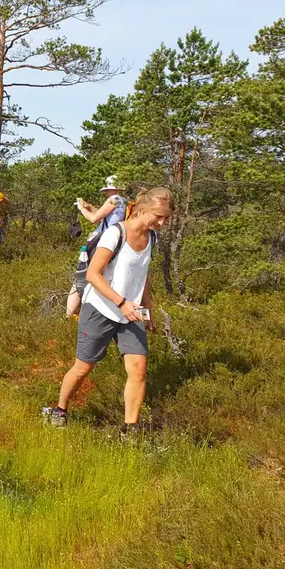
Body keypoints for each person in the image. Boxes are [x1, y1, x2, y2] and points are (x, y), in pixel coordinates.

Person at [43, 187, 174, 439]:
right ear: (143, 209)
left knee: (138, 369)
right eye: (159, 216)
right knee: (83, 367)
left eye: (166, 218)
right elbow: (93, 275)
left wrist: (148, 309)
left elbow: (143, 276)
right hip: (100, 308)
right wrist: (121, 302)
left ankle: (130, 430)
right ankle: (59, 410)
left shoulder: (152, 238)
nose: (162, 222)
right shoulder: (116, 234)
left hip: (131, 311)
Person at [66, 176, 129, 316]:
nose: (107, 193)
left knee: (82, 276)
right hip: (115, 240)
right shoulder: (123, 201)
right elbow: (105, 215)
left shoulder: (113, 199)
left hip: (101, 240)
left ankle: (69, 315)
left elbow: (94, 219)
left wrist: (82, 209)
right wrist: (89, 207)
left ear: (111, 189)